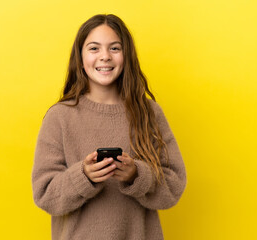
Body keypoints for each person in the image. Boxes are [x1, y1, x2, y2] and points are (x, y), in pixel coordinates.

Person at [32, 14, 187, 240]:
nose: (105, 57)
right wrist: (84, 176)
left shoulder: (149, 113)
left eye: (115, 48)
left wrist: (136, 175)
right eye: (94, 48)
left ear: (127, 56)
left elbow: (173, 185)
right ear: (80, 56)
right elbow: (45, 194)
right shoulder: (59, 117)